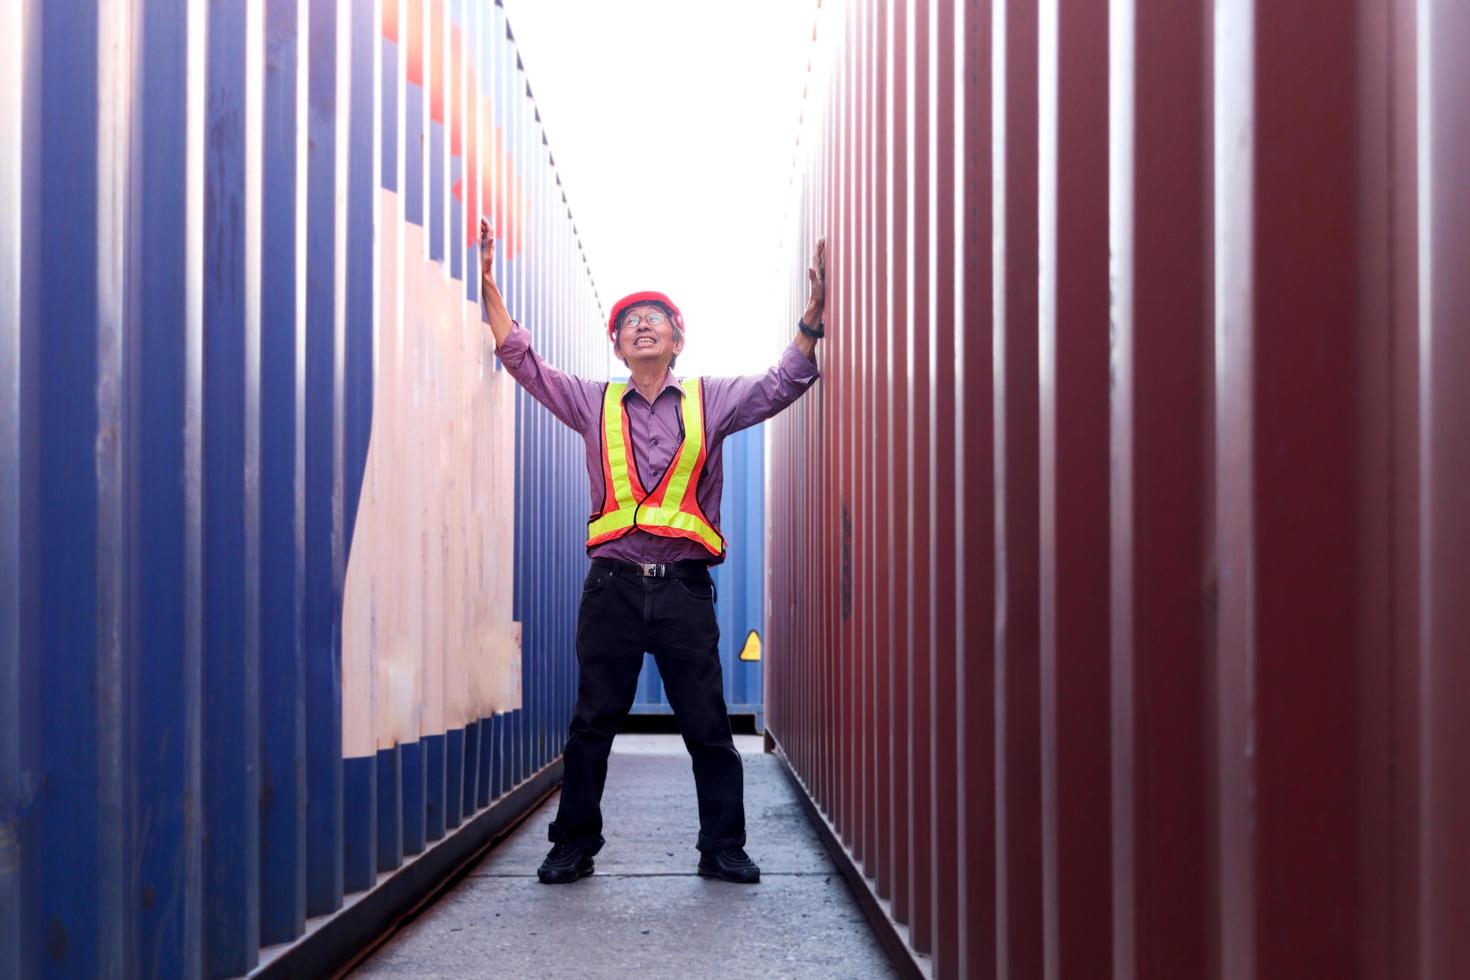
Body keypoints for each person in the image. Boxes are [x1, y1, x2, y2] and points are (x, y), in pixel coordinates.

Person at [476, 215, 826, 884]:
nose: (641, 325)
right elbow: (522, 359)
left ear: (676, 339)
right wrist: (491, 285)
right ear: (617, 344)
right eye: (629, 321)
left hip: (683, 590)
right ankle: (572, 844)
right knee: (591, 726)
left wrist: (810, 323)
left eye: (654, 318)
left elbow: (784, 382)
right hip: (610, 585)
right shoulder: (592, 402)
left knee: (707, 726)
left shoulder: (711, 399)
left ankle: (722, 847)